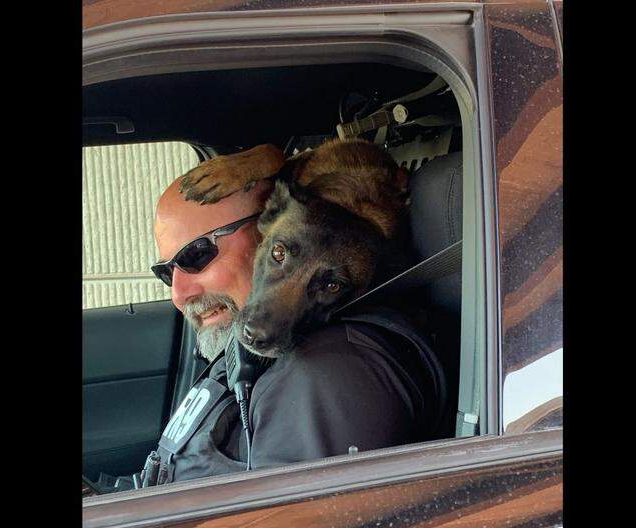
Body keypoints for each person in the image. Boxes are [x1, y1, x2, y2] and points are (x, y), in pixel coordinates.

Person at [145, 169, 445, 484]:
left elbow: (292, 512)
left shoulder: (330, 377)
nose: (178, 294)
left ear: (261, 225)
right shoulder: (245, 343)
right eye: (166, 271)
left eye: (196, 255)